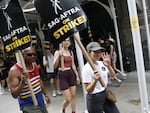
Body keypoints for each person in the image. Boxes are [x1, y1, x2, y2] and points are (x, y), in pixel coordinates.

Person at [7, 46, 50, 113]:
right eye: (29, 55)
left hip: (40, 101)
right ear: (22, 55)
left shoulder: (34, 64)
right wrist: (22, 82)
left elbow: (39, 81)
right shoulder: (14, 71)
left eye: (34, 54)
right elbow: (14, 94)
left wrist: (46, 94)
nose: (33, 56)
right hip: (28, 105)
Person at [81, 42, 120, 113]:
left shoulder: (102, 63)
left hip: (105, 93)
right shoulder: (86, 69)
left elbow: (112, 75)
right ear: (88, 53)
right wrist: (95, 80)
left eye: (99, 52)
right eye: (95, 52)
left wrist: (109, 66)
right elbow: (88, 90)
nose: (98, 54)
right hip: (94, 98)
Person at [53, 38, 80, 113]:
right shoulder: (58, 52)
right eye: (64, 40)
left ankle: (73, 111)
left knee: (73, 95)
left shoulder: (71, 52)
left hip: (70, 73)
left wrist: (77, 76)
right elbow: (54, 66)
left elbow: (73, 65)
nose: (66, 42)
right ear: (61, 42)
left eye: (68, 40)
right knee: (68, 99)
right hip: (62, 73)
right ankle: (63, 108)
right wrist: (59, 56)